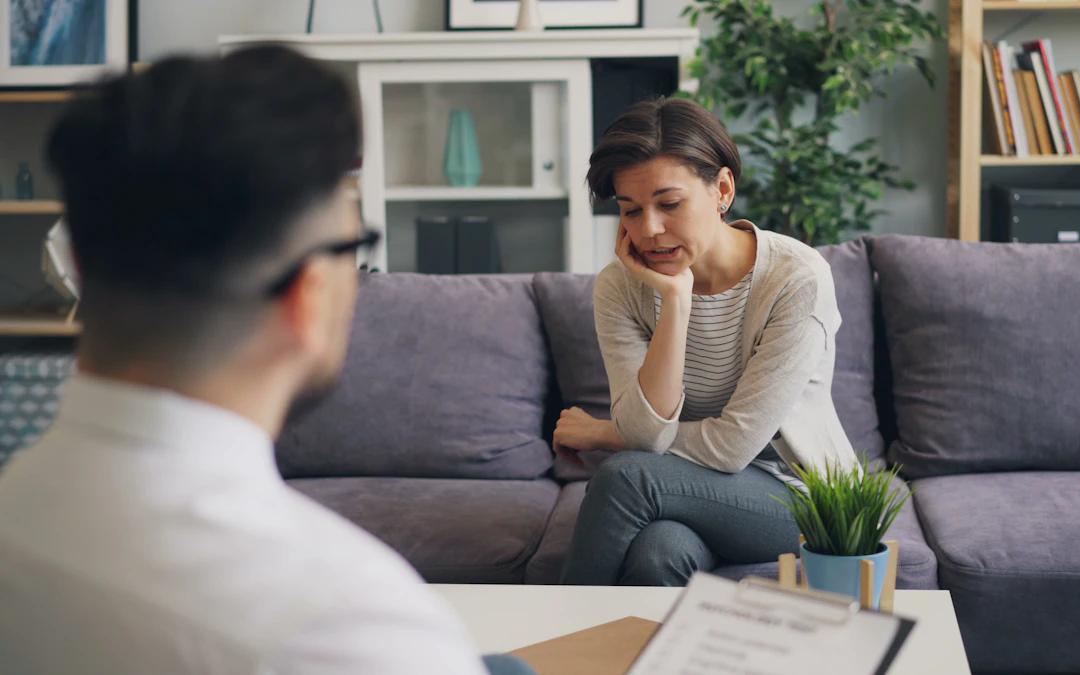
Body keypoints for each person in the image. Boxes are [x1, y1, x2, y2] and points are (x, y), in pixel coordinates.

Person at [0, 47, 529, 675]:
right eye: (352, 249)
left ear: (82, 268)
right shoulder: (354, 624)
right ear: (308, 293)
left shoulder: (17, 506)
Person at [554, 98, 860, 586]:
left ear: (721, 189)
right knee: (658, 555)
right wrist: (676, 299)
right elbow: (645, 432)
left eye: (669, 204)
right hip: (691, 489)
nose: (649, 229)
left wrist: (602, 434)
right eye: (630, 211)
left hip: (802, 499)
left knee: (626, 476)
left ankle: (560, 652)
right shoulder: (622, 287)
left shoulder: (795, 279)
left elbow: (730, 447)